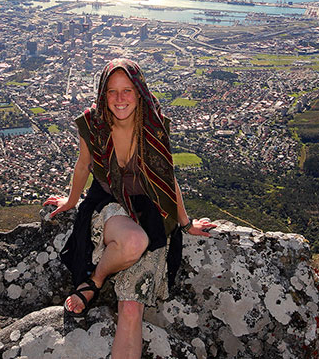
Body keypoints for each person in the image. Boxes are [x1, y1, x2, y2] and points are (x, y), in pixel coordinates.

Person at [44, 58, 216, 359]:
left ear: (139, 92)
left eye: (127, 90)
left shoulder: (155, 124)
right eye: (112, 91)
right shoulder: (93, 125)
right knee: (134, 241)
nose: (120, 99)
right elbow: (83, 164)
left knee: (132, 309)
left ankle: (97, 283)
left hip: (149, 212)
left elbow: (165, 175)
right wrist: (71, 202)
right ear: (103, 93)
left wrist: (186, 223)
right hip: (108, 205)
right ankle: (94, 281)